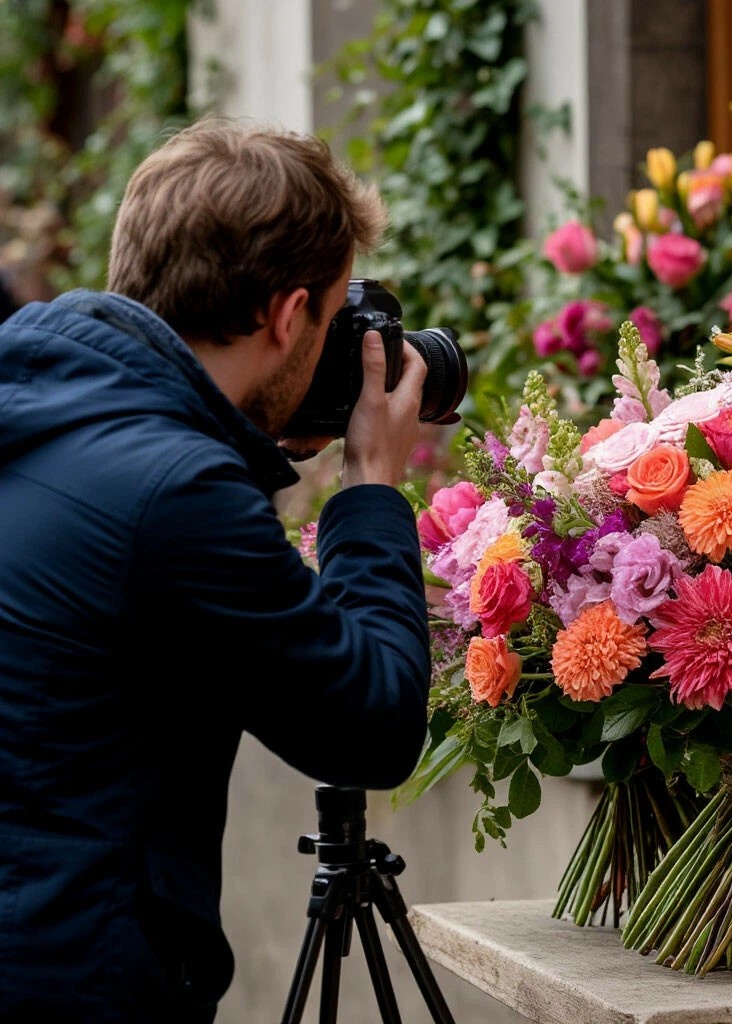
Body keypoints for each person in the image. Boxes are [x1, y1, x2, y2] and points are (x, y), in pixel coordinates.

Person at [0, 117, 433, 1023]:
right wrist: (370, 485)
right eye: (332, 319)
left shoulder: (39, 405)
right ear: (287, 315)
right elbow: (373, 725)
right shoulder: (175, 491)